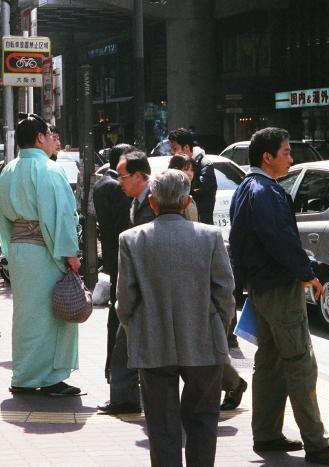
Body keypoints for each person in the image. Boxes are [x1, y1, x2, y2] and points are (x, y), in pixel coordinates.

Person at [229, 127, 329, 466]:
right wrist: (308, 271)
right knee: (300, 363)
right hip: (279, 288)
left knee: (270, 363)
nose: (291, 157)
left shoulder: (246, 188)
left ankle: (267, 432)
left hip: (260, 288)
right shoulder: (266, 192)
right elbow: (280, 240)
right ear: (267, 157)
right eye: (286, 152)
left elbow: (246, 243)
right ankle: (318, 443)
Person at [117, 169, 235, 467]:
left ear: (153, 203)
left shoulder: (131, 240)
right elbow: (225, 292)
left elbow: (126, 301)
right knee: (203, 419)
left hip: (152, 340)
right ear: (187, 203)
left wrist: (135, 330)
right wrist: (219, 326)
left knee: (161, 424)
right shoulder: (209, 236)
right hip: (203, 339)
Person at [0, 114, 81, 396]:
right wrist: (69, 253)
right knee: (51, 315)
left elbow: (4, 219)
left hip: (20, 249)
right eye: (49, 133)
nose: (51, 138)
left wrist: (9, 249)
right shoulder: (49, 169)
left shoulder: (9, 169)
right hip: (45, 249)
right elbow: (59, 216)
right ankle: (50, 378)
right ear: (39, 138)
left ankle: (23, 375)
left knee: (26, 316)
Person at [168, 153, 247, 410]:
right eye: (187, 169)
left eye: (191, 169)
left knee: (205, 354)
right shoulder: (178, 198)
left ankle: (233, 383)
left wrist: (221, 321)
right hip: (190, 294)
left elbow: (225, 289)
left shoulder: (190, 207)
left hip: (195, 293)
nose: (191, 173)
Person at [98, 150, 153, 414]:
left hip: (148, 288)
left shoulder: (156, 201)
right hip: (137, 286)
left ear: (140, 176)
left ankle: (125, 398)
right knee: (125, 343)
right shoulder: (137, 200)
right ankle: (125, 398)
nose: (119, 182)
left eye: (123, 176)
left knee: (127, 343)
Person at [92, 143, 133, 383]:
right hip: (121, 256)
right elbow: (125, 225)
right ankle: (116, 367)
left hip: (110, 255)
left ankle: (111, 366)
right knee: (120, 314)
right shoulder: (117, 187)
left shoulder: (101, 183)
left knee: (115, 312)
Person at [168, 127, 216, 224]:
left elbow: (200, 191)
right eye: (171, 149)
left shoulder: (205, 165)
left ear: (186, 147)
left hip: (200, 224)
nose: (172, 152)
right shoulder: (175, 165)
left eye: (175, 148)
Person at [167, 154, 198, 221]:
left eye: (192, 170)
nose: (190, 173)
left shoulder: (192, 193)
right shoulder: (169, 196)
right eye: (185, 169)